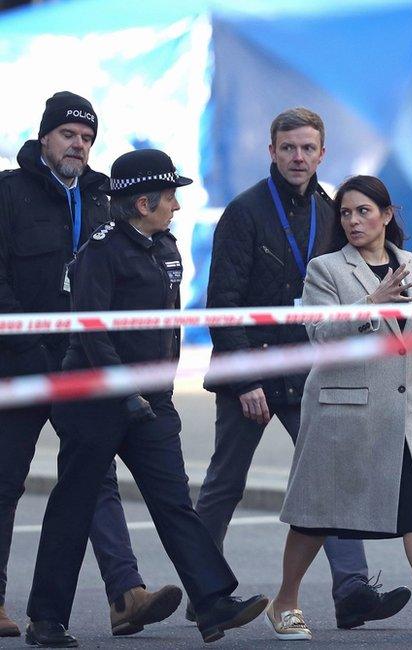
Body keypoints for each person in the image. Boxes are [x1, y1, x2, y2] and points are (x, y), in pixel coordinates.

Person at [25, 149, 268, 647]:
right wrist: (126, 391)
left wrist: (156, 391)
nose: (176, 206)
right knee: (73, 506)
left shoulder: (166, 249)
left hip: (152, 401)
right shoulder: (100, 252)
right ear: (143, 202)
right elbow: (93, 334)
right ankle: (46, 620)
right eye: (170, 196)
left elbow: (168, 332)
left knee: (175, 503)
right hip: (96, 400)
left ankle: (213, 602)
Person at [197, 108, 405, 629]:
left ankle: (352, 589)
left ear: (321, 154)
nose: (298, 157)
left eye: (307, 148)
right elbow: (221, 303)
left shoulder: (333, 211)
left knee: (332, 477)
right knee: (225, 483)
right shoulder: (244, 212)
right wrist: (245, 378)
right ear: (271, 151)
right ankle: (204, 587)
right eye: (288, 148)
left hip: (312, 369)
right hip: (254, 368)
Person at [272, 175, 412, 642]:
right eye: (346, 213)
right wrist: (370, 304)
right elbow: (321, 338)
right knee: (317, 516)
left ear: (387, 215)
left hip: (408, 412)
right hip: (342, 410)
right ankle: (285, 601)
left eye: (363, 211)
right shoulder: (324, 269)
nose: (353, 221)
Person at [0, 91, 180, 639]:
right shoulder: (8, 194)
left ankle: (126, 593)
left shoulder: (105, 198)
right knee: (5, 480)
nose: (77, 145)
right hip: (22, 361)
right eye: (68, 135)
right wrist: (28, 349)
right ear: (44, 137)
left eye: (86, 138)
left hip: (86, 362)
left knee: (95, 477)